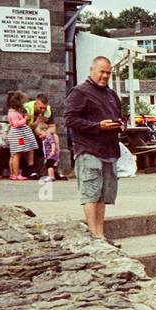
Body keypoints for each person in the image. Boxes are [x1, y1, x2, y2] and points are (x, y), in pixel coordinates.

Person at [64, 56, 124, 241]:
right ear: (92, 70)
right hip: (88, 150)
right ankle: (94, 234)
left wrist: (121, 124)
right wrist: (98, 126)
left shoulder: (111, 94)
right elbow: (69, 119)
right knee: (91, 193)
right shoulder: (80, 92)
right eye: (102, 72)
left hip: (109, 150)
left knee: (103, 194)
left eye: (108, 72)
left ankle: (101, 234)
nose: (105, 76)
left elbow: (119, 115)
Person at [5, 91, 39, 180]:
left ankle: (12, 174)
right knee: (17, 155)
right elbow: (16, 124)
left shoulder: (11, 112)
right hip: (18, 135)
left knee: (13, 155)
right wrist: (25, 119)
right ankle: (16, 174)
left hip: (16, 134)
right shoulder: (14, 113)